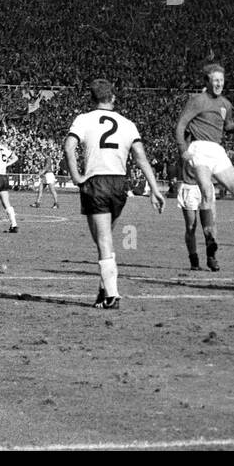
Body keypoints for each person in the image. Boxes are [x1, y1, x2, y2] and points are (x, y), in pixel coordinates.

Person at [64, 79, 165, 309]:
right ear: (113, 98)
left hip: (96, 181)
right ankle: (103, 291)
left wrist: (76, 177)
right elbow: (140, 156)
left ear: (92, 99)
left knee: (103, 240)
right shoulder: (128, 123)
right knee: (107, 238)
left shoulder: (83, 119)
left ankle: (112, 295)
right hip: (120, 183)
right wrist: (155, 189)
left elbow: (69, 146)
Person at [174, 63, 234, 264]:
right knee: (208, 192)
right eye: (215, 80)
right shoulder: (197, 100)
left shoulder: (226, 104)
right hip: (199, 148)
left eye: (221, 81)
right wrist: (183, 151)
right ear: (206, 81)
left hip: (217, 149)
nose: (219, 84)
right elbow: (181, 125)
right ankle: (209, 240)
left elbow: (227, 126)